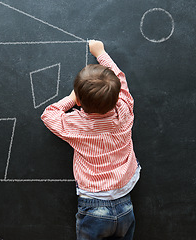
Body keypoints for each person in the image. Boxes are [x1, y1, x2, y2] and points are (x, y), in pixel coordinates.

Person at [41, 40, 140, 240]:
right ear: (116, 97)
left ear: (79, 102)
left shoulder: (77, 124)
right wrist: (101, 53)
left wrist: (71, 99)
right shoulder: (125, 110)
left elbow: (49, 114)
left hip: (93, 207)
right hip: (125, 203)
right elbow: (120, 80)